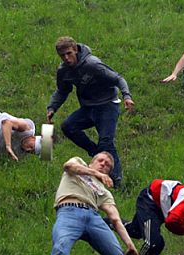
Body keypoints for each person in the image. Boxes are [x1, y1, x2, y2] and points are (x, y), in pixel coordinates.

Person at [28, 152, 139, 255]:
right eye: (101, 160)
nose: (103, 164)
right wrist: (95, 173)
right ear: (92, 162)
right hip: (68, 212)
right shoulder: (78, 163)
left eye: (107, 165)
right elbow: (68, 166)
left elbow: (115, 218)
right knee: (61, 246)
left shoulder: (104, 191)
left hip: (94, 218)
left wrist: (129, 244)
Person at [46, 36, 135, 188]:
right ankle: (96, 153)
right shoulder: (64, 71)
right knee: (68, 126)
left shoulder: (92, 64)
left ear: (76, 50)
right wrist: (52, 107)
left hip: (107, 105)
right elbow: (62, 90)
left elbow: (118, 78)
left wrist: (127, 95)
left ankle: (116, 182)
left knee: (106, 142)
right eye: (62, 56)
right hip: (88, 107)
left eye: (69, 53)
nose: (66, 58)